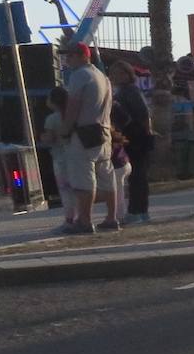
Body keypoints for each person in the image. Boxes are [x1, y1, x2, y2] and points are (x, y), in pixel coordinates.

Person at [56, 42, 115, 234]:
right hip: (103, 131)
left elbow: (74, 105)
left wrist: (65, 129)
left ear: (83, 55)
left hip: (83, 132)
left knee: (82, 180)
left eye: (71, 56)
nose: (67, 60)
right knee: (107, 176)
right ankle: (111, 217)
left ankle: (84, 220)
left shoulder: (79, 75)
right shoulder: (102, 76)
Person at [108, 61, 154, 224]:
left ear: (128, 74)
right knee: (137, 176)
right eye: (114, 73)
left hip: (136, 137)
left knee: (137, 175)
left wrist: (146, 133)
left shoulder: (130, 91)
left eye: (121, 73)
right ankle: (140, 210)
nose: (117, 76)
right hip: (128, 136)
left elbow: (143, 113)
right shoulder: (121, 92)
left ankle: (137, 211)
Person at [42, 86, 72, 226]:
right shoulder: (73, 115)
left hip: (60, 157)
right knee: (78, 187)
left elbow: (50, 138)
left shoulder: (52, 119)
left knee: (65, 190)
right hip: (75, 155)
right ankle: (80, 214)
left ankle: (69, 218)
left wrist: (42, 137)